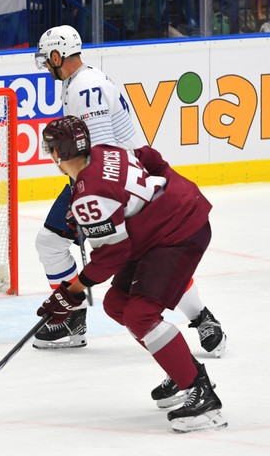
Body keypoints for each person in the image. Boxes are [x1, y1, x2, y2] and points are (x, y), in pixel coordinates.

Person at [32, 25, 226, 358]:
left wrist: (84, 196)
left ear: (55, 56)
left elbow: (102, 148)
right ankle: (74, 318)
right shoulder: (83, 80)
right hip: (120, 176)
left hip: (117, 181)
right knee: (62, 242)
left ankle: (199, 316)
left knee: (144, 257)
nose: (45, 66)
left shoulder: (84, 87)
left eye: (45, 60)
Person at [36, 115, 227, 433]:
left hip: (179, 231)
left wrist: (71, 291)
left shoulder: (88, 194)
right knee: (117, 305)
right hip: (164, 226)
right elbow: (151, 158)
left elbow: (113, 254)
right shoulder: (107, 151)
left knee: (140, 314)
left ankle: (202, 395)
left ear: (57, 154)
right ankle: (182, 369)